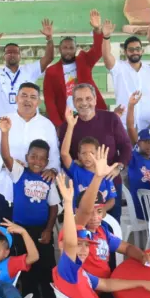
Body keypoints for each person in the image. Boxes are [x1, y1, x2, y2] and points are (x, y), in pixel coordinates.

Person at [0, 116, 61, 298]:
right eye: (34, 157)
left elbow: (53, 207)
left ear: (47, 161)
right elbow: (6, 156)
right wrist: (4, 132)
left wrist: (49, 229)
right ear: (27, 156)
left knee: (47, 269)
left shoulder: (48, 178)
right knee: (26, 269)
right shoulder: (18, 173)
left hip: (42, 230)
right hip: (21, 230)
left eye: (42, 159)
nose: (37, 162)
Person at [75, 152, 150, 280]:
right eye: (89, 211)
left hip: (106, 285)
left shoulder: (102, 232)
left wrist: (142, 256)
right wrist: (98, 176)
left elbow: (127, 248)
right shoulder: (76, 232)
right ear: (78, 211)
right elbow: (83, 213)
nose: (93, 216)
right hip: (87, 291)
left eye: (98, 211)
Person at [0, 82, 60, 221]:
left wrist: (53, 170)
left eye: (33, 97)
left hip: (37, 190)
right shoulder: (4, 121)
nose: (28, 100)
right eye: (24, 95)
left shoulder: (47, 125)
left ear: (38, 102)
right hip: (7, 187)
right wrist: (7, 163)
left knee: (36, 233)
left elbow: (54, 154)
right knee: (8, 234)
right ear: (16, 98)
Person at [58, 83, 130, 220]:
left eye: (88, 98)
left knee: (111, 228)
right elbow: (63, 156)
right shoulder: (68, 126)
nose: (84, 103)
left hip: (110, 182)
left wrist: (118, 167)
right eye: (79, 99)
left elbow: (126, 146)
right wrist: (77, 165)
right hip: (82, 186)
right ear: (73, 102)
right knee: (83, 232)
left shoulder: (111, 119)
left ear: (95, 100)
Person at [0, 17, 55, 119]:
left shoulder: (30, 70)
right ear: (4, 56)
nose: (12, 55)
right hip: (4, 125)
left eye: (15, 52)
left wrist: (49, 38)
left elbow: (49, 58)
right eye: (9, 52)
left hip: (28, 123)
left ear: (20, 56)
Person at [42, 9, 107, 127]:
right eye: (65, 47)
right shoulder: (51, 72)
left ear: (75, 49)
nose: (68, 51)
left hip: (92, 114)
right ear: (60, 49)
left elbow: (98, 50)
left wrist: (97, 30)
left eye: (71, 48)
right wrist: (58, 125)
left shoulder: (84, 60)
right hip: (68, 119)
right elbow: (50, 101)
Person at [102, 23, 150, 131]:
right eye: (131, 49)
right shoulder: (119, 68)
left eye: (138, 49)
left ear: (142, 51)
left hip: (147, 125)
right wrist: (106, 37)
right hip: (124, 124)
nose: (135, 52)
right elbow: (106, 57)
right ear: (125, 52)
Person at [61, 111, 117, 210]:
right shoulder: (76, 171)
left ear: (98, 154)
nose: (87, 156)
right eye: (83, 153)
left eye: (91, 153)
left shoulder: (105, 174)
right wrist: (70, 126)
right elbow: (65, 154)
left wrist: (103, 209)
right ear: (78, 156)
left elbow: (112, 200)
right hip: (79, 219)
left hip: (97, 220)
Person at [125, 114, 150, 221]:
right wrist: (131, 106)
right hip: (141, 209)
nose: (149, 145)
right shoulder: (133, 157)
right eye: (146, 142)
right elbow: (130, 127)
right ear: (138, 142)